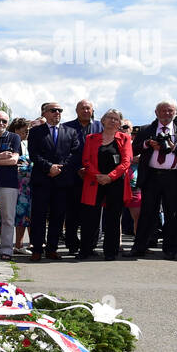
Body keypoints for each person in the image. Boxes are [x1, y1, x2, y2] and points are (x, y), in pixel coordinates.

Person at [127, 100, 177, 259]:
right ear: (156, 113)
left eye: (170, 111)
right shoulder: (147, 129)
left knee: (172, 215)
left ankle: (170, 249)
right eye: (163, 111)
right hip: (151, 176)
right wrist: (147, 144)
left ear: (175, 113)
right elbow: (132, 149)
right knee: (146, 214)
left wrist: (175, 147)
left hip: (174, 177)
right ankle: (139, 247)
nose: (167, 114)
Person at [26, 102, 82, 260]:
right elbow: (33, 154)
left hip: (62, 181)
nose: (57, 113)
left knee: (58, 216)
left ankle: (52, 248)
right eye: (53, 110)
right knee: (38, 216)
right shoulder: (36, 132)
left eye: (60, 110)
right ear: (44, 113)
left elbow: (76, 153)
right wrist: (49, 167)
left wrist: (60, 168)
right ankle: (37, 248)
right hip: (42, 180)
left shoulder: (70, 132)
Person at [78, 108, 132, 259]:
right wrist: (97, 176)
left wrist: (110, 177)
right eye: (109, 117)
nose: (112, 120)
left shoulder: (125, 138)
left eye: (116, 119)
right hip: (94, 182)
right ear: (103, 120)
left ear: (120, 123)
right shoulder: (91, 138)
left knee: (113, 218)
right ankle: (86, 250)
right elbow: (86, 160)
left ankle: (111, 251)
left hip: (116, 182)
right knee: (90, 218)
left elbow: (126, 161)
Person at [62, 99, 96, 254]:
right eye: (82, 108)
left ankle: (90, 245)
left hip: (94, 177)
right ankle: (72, 244)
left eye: (88, 108)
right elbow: (64, 151)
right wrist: (77, 169)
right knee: (72, 213)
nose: (85, 111)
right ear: (76, 110)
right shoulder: (67, 127)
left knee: (92, 214)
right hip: (73, 176)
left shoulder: (99, 127)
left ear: (92, 110)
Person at [0, 111, 20, 260]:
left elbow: (13, 160)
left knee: (7, 218)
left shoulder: (14, 137)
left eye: (4, 121)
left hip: (9, 183)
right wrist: (0, 156)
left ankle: (6, 250)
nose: (1, 124)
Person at [8, 116, 33, 255]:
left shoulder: (27, 144)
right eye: (24, 130)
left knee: (24, 215)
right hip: (15, 183)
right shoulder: (11, 142)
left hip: (27, 185)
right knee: (14, 215)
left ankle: (20, 243)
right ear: (16, 130)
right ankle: (12, 244)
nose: (27, 133)